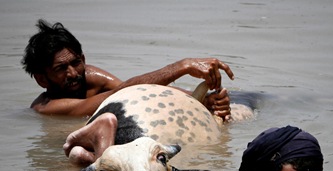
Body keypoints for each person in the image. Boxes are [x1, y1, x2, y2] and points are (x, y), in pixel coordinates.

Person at [21, 19, 234, 119]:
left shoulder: (87, 74)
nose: (73, 73)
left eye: (76, 62)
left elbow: (139, 91)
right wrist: (181, 67)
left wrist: (201, 100)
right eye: (60, 68)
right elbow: (122, 93)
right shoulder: (48, 108)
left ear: (82, 59)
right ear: (42, 79)